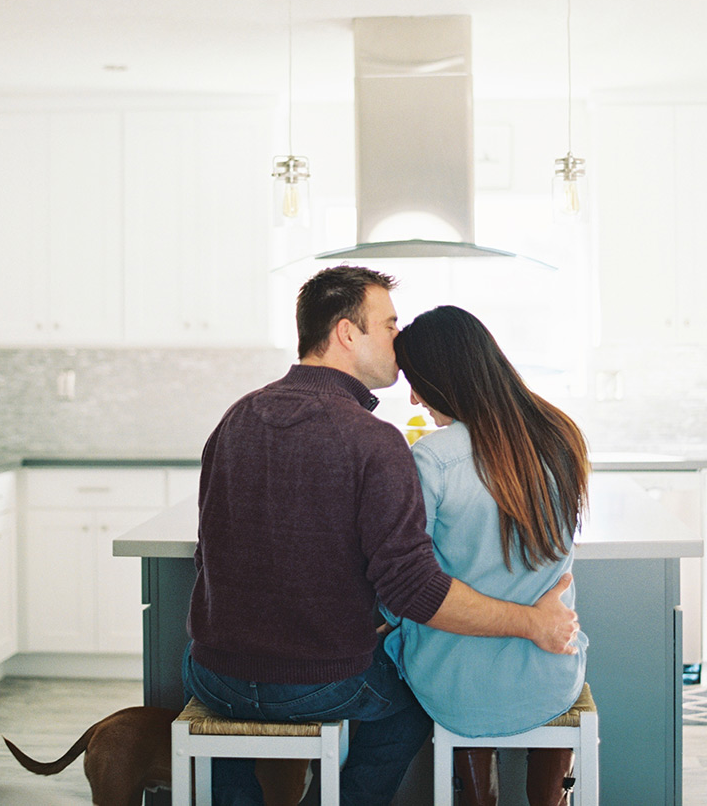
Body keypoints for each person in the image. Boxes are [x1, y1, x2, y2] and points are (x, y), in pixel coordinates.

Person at [183, 266, 581, 806]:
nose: (399, 339)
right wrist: (533, 622)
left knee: (238, 750)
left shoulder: (235, 417)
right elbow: (413, 591)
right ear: (348, 333)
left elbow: (209, 550)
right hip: (319, 684)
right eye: (389, 325)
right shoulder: (374, 441)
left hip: (212, 675)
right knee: (406, 714)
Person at [386, 305, 591, 806]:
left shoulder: (433, 457)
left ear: (443, 378)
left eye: (415, 382)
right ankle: (552, 799)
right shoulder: (561, 433)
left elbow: (409, 591)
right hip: (552, 674)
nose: (413, 399)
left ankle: (478, 797)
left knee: (420, 647)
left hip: (456, 687)